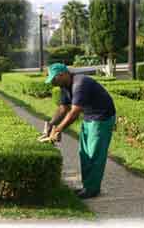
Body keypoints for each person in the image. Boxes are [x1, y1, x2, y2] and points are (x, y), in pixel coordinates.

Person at [43, 63, 116, 199]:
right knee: (84, 153)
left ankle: (92, 190)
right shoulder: (64, 86)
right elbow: (63, 108)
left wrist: (59, 129)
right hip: (89, 116)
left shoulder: (80, 83)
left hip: (102, 117)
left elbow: (74, 112)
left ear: (63, 74)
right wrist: (51, 124)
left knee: (94, 155)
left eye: (54, 79)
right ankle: (87, 186)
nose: (52, 83)